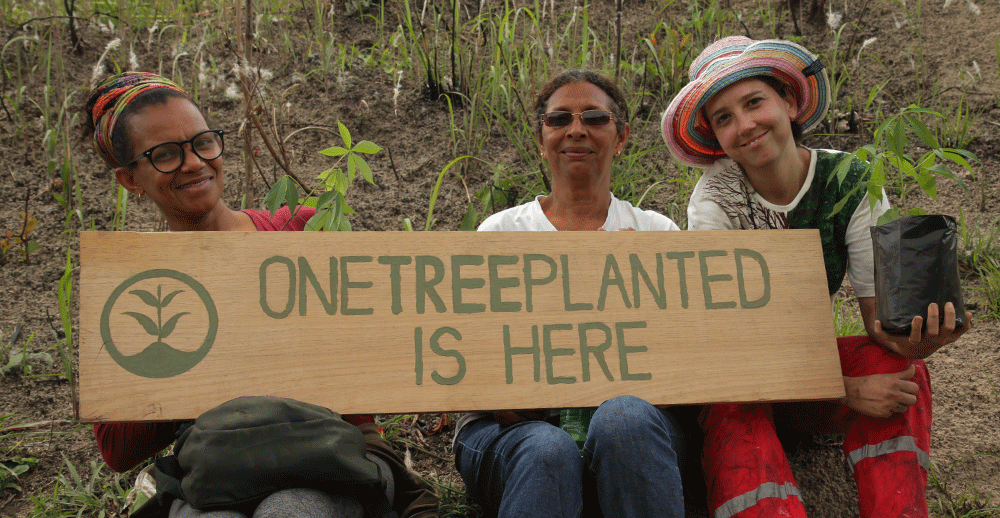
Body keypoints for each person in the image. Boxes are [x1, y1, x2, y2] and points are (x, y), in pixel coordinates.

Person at [85, 72, 438, 518]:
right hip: (218, 468)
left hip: (334, 456)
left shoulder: (303, 228)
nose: (194, 163)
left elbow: (392, 350)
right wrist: (182, 352)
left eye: (203, 143)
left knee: (291, 509)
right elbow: (117, 451)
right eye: (167, 155)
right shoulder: (135, 287)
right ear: (129, 179)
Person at [661, 36, 972, 518]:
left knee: (900, 371)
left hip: (807, 375)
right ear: (715, 137)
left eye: (754, 102)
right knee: (730, 400)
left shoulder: (849, 179)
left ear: (787, 100)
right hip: (752, 382)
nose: (744, 125)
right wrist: (845, 390)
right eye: (724, 118)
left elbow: (878, 325)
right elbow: (728, 352)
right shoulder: (714, 200)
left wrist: (918, 343)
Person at [452, 69, 687, 518]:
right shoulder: (499, 233)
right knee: (547, 448)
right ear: (542, 138)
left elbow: (684, 359)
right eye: (559, 119)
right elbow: (464, 351)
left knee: (624, 418)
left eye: (595, 118)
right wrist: (497, 395)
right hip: (508, 433)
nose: (576, 129)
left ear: (620, 138)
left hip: (633, 431)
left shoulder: (658, 234)